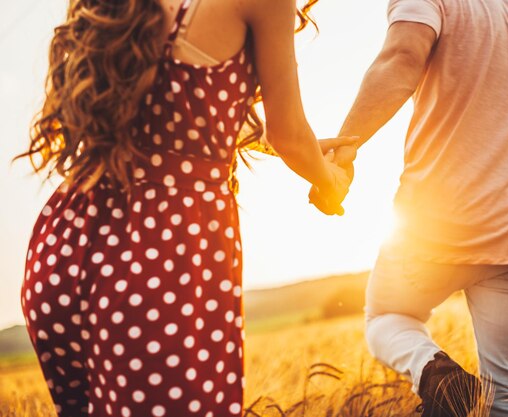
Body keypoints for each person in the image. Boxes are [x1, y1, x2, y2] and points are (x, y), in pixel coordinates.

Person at [17, 0, 352, 416]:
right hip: (159, 257)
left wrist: (290, 151)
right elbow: (291, 135)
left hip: (64, 249)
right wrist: (328, 179)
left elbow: (177, 113)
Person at [312, 0, 508, 415]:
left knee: (386, 317)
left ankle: (434, 373)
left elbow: (401, 57)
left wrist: (345, 148)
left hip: (432, 222)